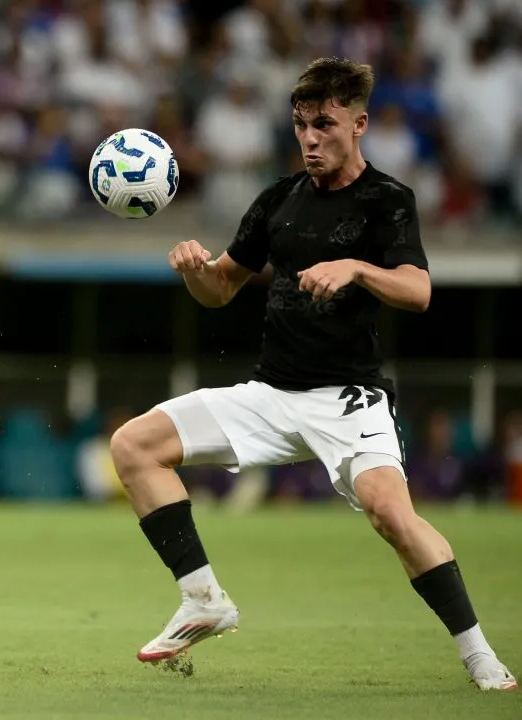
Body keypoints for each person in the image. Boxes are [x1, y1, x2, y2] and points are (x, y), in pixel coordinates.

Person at [109, 57, 516, 692]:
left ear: (358, 124)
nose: (310, 138)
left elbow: (418, 291)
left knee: (392, 515)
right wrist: (195, 268)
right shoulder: (277, 200)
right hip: (271, 393)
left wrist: (355, 267)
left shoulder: (387, 201)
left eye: (324, 124)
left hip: (349, 400)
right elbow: (220, 289)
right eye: (301, 124)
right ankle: (204, 600)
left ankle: (480, 657)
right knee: (133, 445)